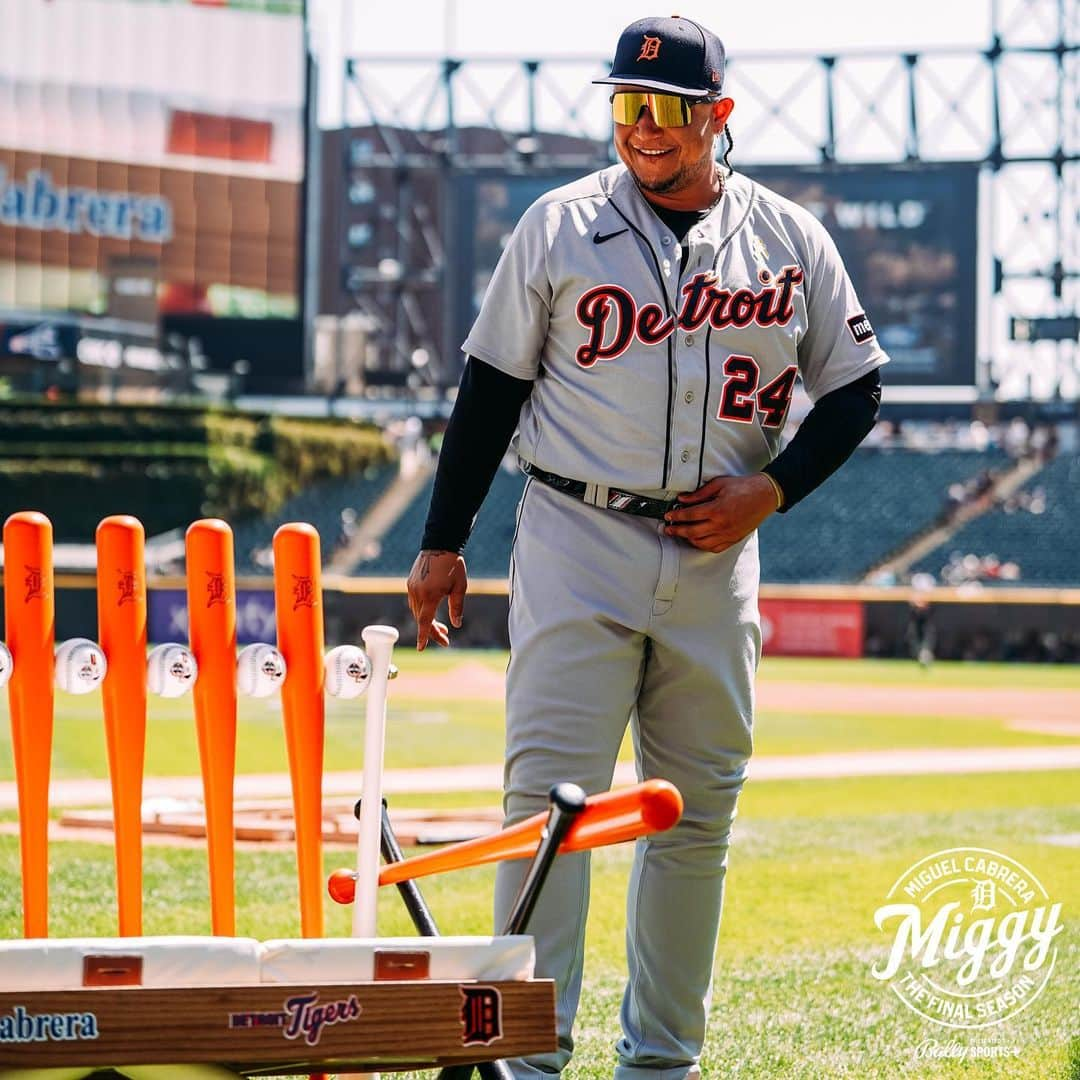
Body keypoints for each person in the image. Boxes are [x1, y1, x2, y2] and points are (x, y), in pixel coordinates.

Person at [407, 15, 886, 1078]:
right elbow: (490, 389)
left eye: (667, 108)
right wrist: (443, 542)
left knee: (695, 818)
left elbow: (857, 391)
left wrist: (774, 488)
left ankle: (662, 1063)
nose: (643, 128)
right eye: (626, 104)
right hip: (578, 531)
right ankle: (530, 1061)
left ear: (719, 115)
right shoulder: (558, 223)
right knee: (547, 814)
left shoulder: (790, 238)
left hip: (719, 557)